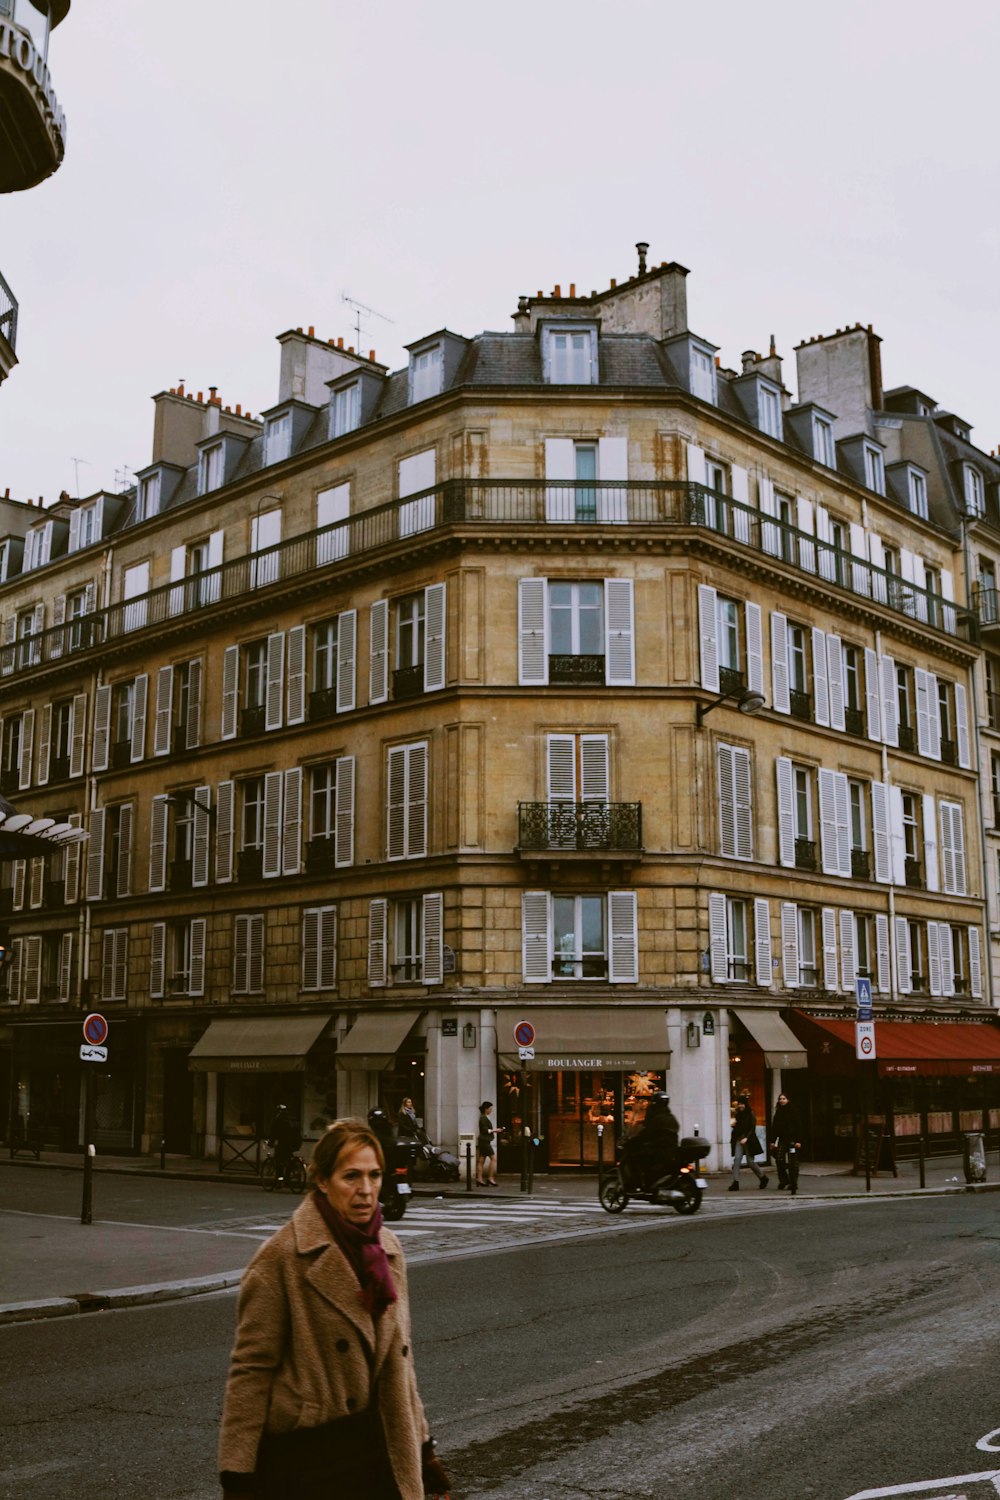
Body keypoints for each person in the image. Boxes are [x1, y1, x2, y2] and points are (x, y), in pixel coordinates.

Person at [219, 1117, 451, 1500]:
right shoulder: (282, 1257)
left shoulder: (388, 1249)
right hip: (311, 1457)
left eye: (374, 1175)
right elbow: (251, 1369)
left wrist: (423, 1449)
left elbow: (400, 1363)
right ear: (322, 1180)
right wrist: (237, 1474)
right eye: (351, 1177)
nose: (366, 1190)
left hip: (381, 1448)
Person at [622, 1092, 680, 1191]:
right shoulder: (670, 1117)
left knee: (637, 1159)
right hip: (670, 1150)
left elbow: (646, 1134)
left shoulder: (657, 1119)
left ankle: (642, 1185)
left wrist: (632, 1141)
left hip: (659, 1151)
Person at [730, 1090, 768, 1191]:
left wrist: (746, 1137)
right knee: (737, 1159)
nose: (741, 1106)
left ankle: (763, 1177)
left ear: (745, 1104)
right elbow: (739, 1126)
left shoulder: (750, 1113)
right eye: (739, 1104)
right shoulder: (738, 1114)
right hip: (739, 1139)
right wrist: (735, 1126)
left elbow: (752, 1127)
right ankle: (735, 1182)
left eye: (742, 1104)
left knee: (750, 1162)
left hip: (749, 1140)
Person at [770, 1091, 803, 1194]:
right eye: (780, 1099)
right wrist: (772, 1140)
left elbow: (799, 1126)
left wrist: (799, 1141)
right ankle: (784, 1180)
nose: (782, 1100)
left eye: (784, 1099)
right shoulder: (778, 1112)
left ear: (788, 1100)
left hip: (792, 1140)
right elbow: (774, 1127)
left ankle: (794, 1182)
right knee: (779, 1159)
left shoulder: (793, 1111)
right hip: (782, 1139)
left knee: (794, 1162)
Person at [265, 1103, 301, 1184]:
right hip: (296, 1142)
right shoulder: (293, 1118)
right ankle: (288, 1176)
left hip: (284, 1143)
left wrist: (271, 1143)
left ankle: (279, 1179)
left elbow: (273, 1132)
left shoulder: (279, 1119)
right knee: (288, 1158)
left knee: (279, 1160)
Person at [477, 1100, 497, 1186]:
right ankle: (490, 1178)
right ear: (486, 1109)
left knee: (481, 1160)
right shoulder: (483, 1118)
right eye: (490, 1109)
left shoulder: (483, 1117)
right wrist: (495, 1130)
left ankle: (480, 1179)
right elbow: (485, 1130)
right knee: (493, 1159)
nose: (491, 1110)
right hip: (484, 1141)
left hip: (483, 1140)